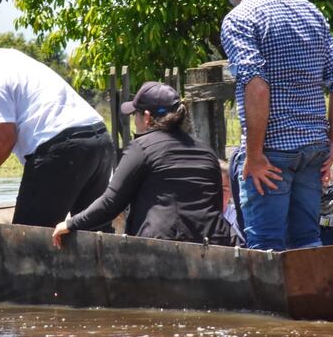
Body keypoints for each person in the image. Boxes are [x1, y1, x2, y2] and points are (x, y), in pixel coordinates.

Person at [209, 0, 333, 251]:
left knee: (266, 247)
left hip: (271, 153)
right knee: (308, 241)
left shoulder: (239, 18)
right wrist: (332, 143)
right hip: (313, 149)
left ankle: (268, 302)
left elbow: (257, 86)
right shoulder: (309, 10)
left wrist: (256, 153)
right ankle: (311, 298)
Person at [0, 28, 115, 230]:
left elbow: (4, 140)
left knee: (28, 239)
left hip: (63, 149)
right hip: (99, 141)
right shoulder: (11, 57)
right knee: (95, 235)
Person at [51, 81, 232, 248]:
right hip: (214, 243)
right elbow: (215, 206)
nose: (134, 121)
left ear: (146, 117)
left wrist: (70, 223)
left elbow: (111, 203)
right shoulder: (207, 152)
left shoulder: (142, 147)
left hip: (161, 247)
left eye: (134, 115)